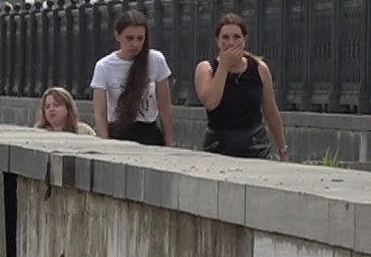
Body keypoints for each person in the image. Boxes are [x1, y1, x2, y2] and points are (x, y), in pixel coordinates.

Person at [194, 13, 290, 160]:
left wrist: (283, 150)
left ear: (245, 39)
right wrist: (224, 66)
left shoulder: (259, 68)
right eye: (225, 38)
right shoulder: (206, 69)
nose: (231, 43)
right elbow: (211, 103)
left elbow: (270, 111)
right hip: (219, 144)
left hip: (255, 144)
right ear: (217, 41)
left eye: (236, 37)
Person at [90, 10, 175, 147]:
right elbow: (100, 112)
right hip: (119, 132)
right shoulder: (104, 66)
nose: (135, 44)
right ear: (118, 36)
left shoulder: (156, 60)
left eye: (140, 38)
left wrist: (169, 143)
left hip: (148, 132)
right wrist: (104, 143)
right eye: (129, 38)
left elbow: (165, 106)